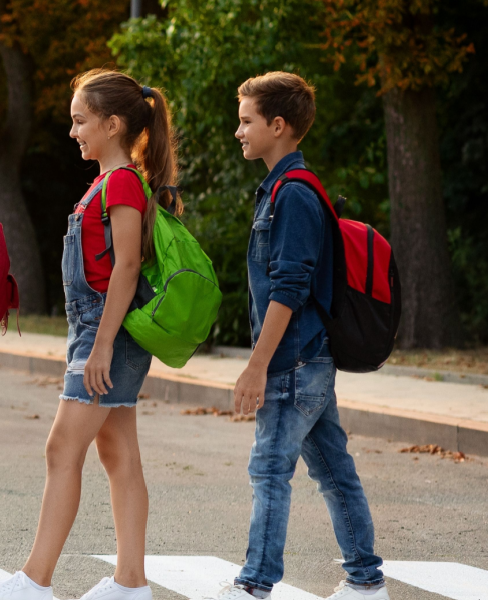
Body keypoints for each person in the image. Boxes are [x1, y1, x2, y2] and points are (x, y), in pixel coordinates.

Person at [0, 69, 182, 600]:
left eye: (80, 121)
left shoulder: (122, 183)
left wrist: (103, 344)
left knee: (62, 447)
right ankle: (131, 583)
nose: (73, 132)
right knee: (118, 454)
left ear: (112, 125)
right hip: (98, 330)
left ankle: (35, 580)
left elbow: (128, 267)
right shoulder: (110, 182)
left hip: (104, 333)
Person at [201, 71, 386, 600]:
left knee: (269, 471)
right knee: (333, 471)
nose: (238, 131)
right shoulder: (282, 190)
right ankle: (366, 580)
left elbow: (289, 288)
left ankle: (255, 584)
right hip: (309, 360)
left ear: (277, 125)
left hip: (293, 361)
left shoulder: (293, 196)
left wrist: (256, 365)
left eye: (245, 121)